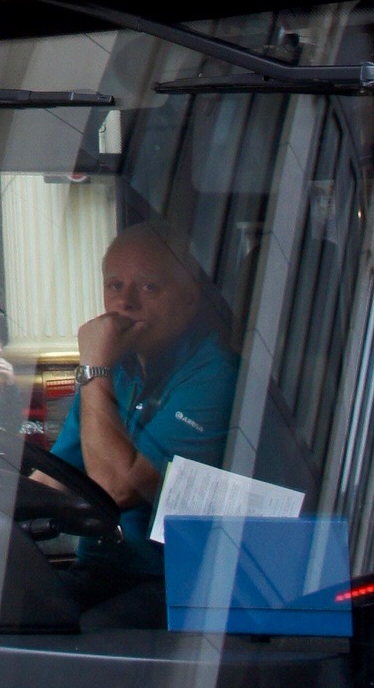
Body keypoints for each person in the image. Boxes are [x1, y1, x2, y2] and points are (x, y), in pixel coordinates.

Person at [51, 221, 239, 561]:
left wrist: (94, 369)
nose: (125, 302)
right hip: (101, 572)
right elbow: (57, 477)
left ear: (190, 299)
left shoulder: (216, 378)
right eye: (114, 285)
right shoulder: (115, 369)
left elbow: (116, 488)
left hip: (167, 587)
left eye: (149, 287)